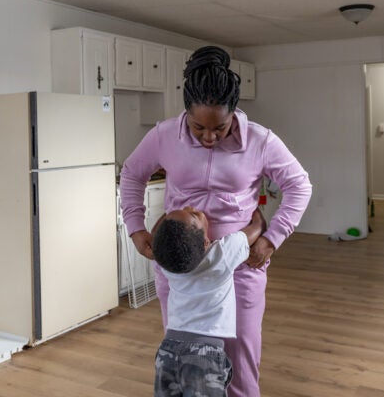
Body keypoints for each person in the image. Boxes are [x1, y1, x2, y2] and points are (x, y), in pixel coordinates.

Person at [120, 45, 312, 397]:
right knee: (189, 359)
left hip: (239, 268)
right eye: (198, 127)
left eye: (219, 128)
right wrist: (136, 228)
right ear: (186, 113)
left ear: (234, 113)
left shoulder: (260, 140)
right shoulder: (164, 135)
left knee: (240, 364)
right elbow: (132, 173)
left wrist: (271, 239)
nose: (209, 137)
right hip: (179, 270)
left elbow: (299, 186)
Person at [152, 206, 265, 396]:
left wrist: (167, 211)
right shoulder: (219, 255)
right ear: (205, 242)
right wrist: (258, 215)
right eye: (194, 215)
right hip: (203, 355)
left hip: (167, 350)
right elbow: (255, 229)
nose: (190, 207)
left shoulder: (169, 265)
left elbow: (156, 235)